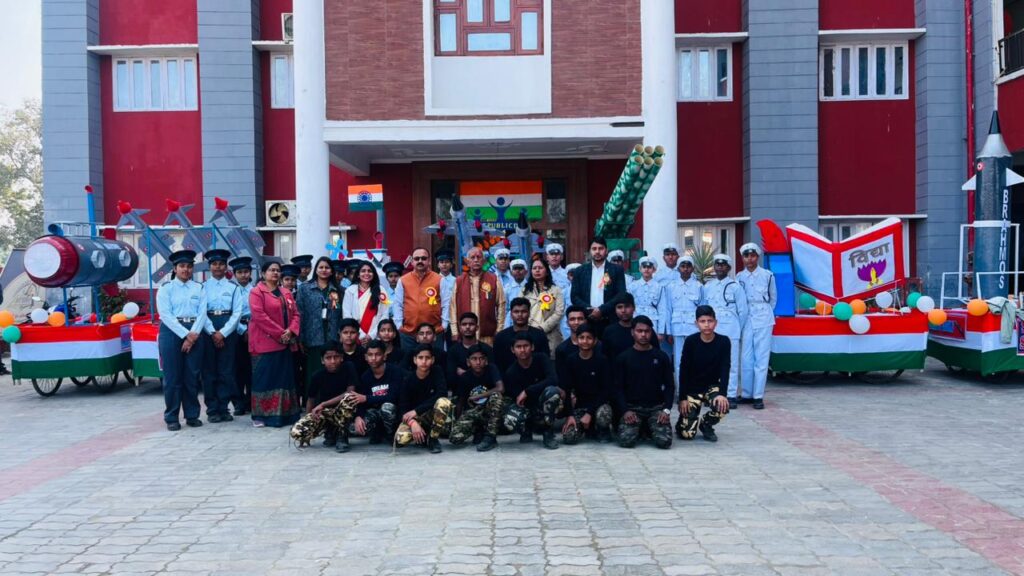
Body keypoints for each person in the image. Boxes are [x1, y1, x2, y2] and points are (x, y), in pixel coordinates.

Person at [156, 250, 207, 431]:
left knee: (191, 376)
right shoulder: (166, 288)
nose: (186, 270)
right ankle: (172, 417)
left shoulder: (199, 288)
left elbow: (202, 313)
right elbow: (165, 315)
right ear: (175, 268)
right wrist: (185, 335)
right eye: (182, 266)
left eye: (189, 266)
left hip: (195, 331)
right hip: (171, 332)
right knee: (172, 378)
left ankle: (192, 415)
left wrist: (192, 336)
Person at [248, 259, 301, 428]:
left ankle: (285, 415)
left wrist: (291, 331)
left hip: (286, 342)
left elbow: (296, 314)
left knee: (283, 380)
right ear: (263, 273)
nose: (275, 273)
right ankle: (261, 416)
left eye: (278, 270)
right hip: (264, 343)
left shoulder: (286, 292)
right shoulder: (257, 292)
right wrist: (280, 334)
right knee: (264, 379)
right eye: (272, 270)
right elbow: (259, 317)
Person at [613, 316, 674, 449]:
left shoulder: (661, 357)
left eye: (647, 331)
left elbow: (670, 385)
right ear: (632, 332)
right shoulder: (623, 358)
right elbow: (618, 388)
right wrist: (625, 411)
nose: (643, 335)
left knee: (664, 442)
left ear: (651, 333)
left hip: (656, 408)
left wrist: (666, 410)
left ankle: (648, 428)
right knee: (626, 441)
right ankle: (642, 428)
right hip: (633, 408)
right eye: (639, 331)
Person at [200, 248, 244, 423]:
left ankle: (224, 407)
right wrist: (212, 332)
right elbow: (201, 312)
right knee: (209, 371)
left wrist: (223, 333)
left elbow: (237, 312)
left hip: (228, 329)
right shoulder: (202, 287)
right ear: (209, 266)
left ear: (226, 267)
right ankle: (212, 409)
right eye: (214, 264)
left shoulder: (233, 288)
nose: (218, 267)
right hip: (208, 327)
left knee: (226, 370)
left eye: (221, 264)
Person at [677, 305, 731, 442]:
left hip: (711, 387)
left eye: (710, 321)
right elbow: (683, 370)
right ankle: (684, 422)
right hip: (693, 389)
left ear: (716, 322)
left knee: (722, 406)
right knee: (687, 434)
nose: (707, 325)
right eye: (702, 321)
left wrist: (722, 394)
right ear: (696, 323)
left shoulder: (724, 341)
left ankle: (706, 424)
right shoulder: (691, 341)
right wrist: (682, 398)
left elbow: (725, 368)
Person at [702, 254, 748, 410]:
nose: (720, 267)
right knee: (711, 363)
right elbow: (705, 309)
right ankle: (712, 394)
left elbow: (743, 311)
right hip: (712, 330)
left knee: (731, 364)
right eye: (717, 265)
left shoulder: (735, 286)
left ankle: (730, 394)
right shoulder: (708, 286)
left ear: (728, 268)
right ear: (714, 267)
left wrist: (738, 329)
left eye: (723, 265)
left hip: (730, 329)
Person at [296, 256, 342, 412]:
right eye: (321, 267)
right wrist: (300, 337)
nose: (324, 270)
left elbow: (338, 313)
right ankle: (311, 406)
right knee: (313, 372)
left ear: (332, 271)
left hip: (331, 335)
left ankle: (329, 404)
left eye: (327, 268)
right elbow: (300, 313)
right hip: (312, 336)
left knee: (331, 371)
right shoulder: (305, 288)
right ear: (316, 270)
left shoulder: (336, 289)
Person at [502, 334, 563, 449]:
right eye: (518, 347)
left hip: (543, 402)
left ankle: (548, 433)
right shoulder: (511, 372)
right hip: (527, 407)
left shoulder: (541, 358)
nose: (522, 350)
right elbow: (518, 400)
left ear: (532, 347)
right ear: (513, 350)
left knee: (552, 391)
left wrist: (527, 391)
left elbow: (553, 379)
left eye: (526, 346)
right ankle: (526, 430)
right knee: (509, 419)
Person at [558, 324, 614, 444]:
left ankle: (602, 430)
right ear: (577, 340)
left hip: (598, 406)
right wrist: (570, 415)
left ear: (595, 341)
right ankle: (587, 429)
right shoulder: (570, 360)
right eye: (582, 337)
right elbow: (566, 389)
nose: (585, 341)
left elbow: (606, 390)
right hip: (579, 406)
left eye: (589, 338)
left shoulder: (602, 360)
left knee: (604, 411)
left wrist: (589, 413)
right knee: (569, 438)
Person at [736, 243, 776, 410]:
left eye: (752, 256)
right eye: (746, 256)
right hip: (746, 318)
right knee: (746, 358)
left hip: (763, 317)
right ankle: (747, 393)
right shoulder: (739, 277)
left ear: (757, 257)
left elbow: (773, 299)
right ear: (743, 258)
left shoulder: (767, 275)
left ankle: (758, 396)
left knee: (761, 357)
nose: (749, 259)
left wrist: (765, 313)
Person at [395, 345, 452, 454]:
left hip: (432, 415)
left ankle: (433, 438)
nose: (424, 361)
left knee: (444, 402)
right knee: (400, 439)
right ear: (415, 360)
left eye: (427, 358)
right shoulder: (408, 379)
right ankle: (422, 435)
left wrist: (416, 410)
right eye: (420, 358)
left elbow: (442, 393)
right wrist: (412, 423)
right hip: (415, 418)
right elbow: (402, 408)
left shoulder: (437, 371)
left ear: (433, 359)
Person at [449, 345, 506, 451]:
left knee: (496, 396)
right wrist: (458, 422)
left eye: (481, 358)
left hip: (491, 410)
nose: (478, 362)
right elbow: (460, 402)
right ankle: (478, 431)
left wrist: (478, 396)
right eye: (474, 359)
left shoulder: (491, 369)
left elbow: (500, 388)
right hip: (475, 412)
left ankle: (490, 437)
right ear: (468, 362)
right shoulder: (465, 377)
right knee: (455, 438)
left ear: (486, 360)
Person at [392, 247, 450, 351]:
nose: (420, 261)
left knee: (435, 359)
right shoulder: (403, 280)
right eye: (417, 258)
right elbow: (397, 304)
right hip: (409, 333)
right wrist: (399, 325)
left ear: (429, 261)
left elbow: (446, 303)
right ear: (412, 261)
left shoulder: (439, 280)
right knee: (409, 360)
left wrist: (444, 325)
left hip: (434, 332)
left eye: (423, 258)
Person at [306, 342, 360, 452]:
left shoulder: (348, 367)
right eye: (328, 358)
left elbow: (350, 392)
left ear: (341, 358)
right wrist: (308, 421)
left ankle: (342, 436)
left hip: (344, 410)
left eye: (336, 357)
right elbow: (310, 399)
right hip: (326, 413)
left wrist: (323, 404)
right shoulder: (317, 376)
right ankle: (330, 432)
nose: (333, 361)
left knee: (349, 399)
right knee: (297, 431)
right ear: (322, 360)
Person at [570, 237, 628, 336]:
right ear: (590, 251)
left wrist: (601, 309)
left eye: (600, 248)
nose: (597, 251)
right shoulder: (580, 271)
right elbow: (574, 296)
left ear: (606, 251)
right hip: (587, 319)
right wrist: (589, 309)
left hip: (609, 319)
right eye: (594, 249)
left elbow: (621, 294)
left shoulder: (616, 270)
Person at [449, 247, 506, 346]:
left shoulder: (493, 279)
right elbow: (453, 307)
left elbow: (501, 304)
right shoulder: (459, 281)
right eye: (472, 257)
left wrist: (499, 329)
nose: (476, 260)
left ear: (483, 261)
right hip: (465, 336)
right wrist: (454, 331)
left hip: (487, 335)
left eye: (478, 257)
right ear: (467, 262)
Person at [351, 340, 404, 444]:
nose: (373, 358)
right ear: (366, 357)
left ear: (384, 356)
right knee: (353, 428)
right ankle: (377, 431)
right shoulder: (365, 376)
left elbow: (392, 397)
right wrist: (358, 417)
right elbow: (360, 400)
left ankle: (391, 434)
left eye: (377, 354)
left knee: (387, 407)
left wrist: (366, 398)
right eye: (370, 355)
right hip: (375, 412)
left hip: (394, 413)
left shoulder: (395, 371)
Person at [663, 255, 704, 377]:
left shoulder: (699, 286)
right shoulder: (671, 287)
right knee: (678, 360)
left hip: (693, 328)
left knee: (695, 358)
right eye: (683, 266)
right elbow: (668, 310)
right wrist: (669, 332)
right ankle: (680, 387)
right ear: (678, 268)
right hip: (677, 327)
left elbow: (702, 309)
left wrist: (702, 329)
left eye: (688, 266)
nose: (685, 269)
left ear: (693, 269)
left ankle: (694, 387)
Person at [493, 297, 550, 373]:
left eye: (523, 311)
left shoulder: (539, 335)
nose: (520, 315)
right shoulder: (501, 337)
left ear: (529, 313)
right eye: (516, 312)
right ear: (511, 314)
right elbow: (497, 365)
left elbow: (545, 363)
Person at [522, 257, 565, 351]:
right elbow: (519, 309)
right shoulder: (524, 290)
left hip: (550, 334)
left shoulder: (556, 290)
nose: (537, 270)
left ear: (547, 271)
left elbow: (559, 312)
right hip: (528, 332)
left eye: (540, 268)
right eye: (534, 268)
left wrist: (542, 328)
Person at [230, 256, 255, 416]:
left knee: (252, 369)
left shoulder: (256, 290)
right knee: (237, 369)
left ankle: (251, 401)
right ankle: (238, 403)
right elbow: (231, 313)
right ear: (234, 274)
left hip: (254, 330)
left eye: (246, 272)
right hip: (236, 331)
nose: (243, 275)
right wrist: (242, 330)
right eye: (240, 272)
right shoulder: (232, 290)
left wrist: (250, 330)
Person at [342, 261, 390, 343]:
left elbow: (385, 314)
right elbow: (346, 315)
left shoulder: (382, 290)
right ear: (358, 274)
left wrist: (372, 335)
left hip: (376, 336)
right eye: (363, 271)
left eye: (369, 271)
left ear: (374, 274)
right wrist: (362, 335)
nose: (366, 273)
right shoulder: (349, 291)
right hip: (355, 335)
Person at [602, 293, 660, 361]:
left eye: (627, 306)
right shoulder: (609, 331)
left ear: (634, 308)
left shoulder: (644, 329)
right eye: (619, 307)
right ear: (615, 309)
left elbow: (656, 354)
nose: (623, 310)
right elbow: (605, 357)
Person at [629, 256, 667, 352]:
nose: (646, 269)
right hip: (636, 317)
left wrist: (661, 331)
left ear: (654, 270)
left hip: (653, 320)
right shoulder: (632, 286)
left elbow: (662, 309)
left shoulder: (659, 287)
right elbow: (629, 306)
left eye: (649, 267)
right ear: (640, 269)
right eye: (644, 267)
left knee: (653, 348)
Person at [447, 312, 494, 386]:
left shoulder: (487, 349)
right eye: (464, 324)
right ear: (460, 328)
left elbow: (491, 375)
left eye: (471, 324)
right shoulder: (453, 351)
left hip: (484, 390)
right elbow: (451, 378)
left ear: (477, 327)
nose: (468, 327)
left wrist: (464, 373)